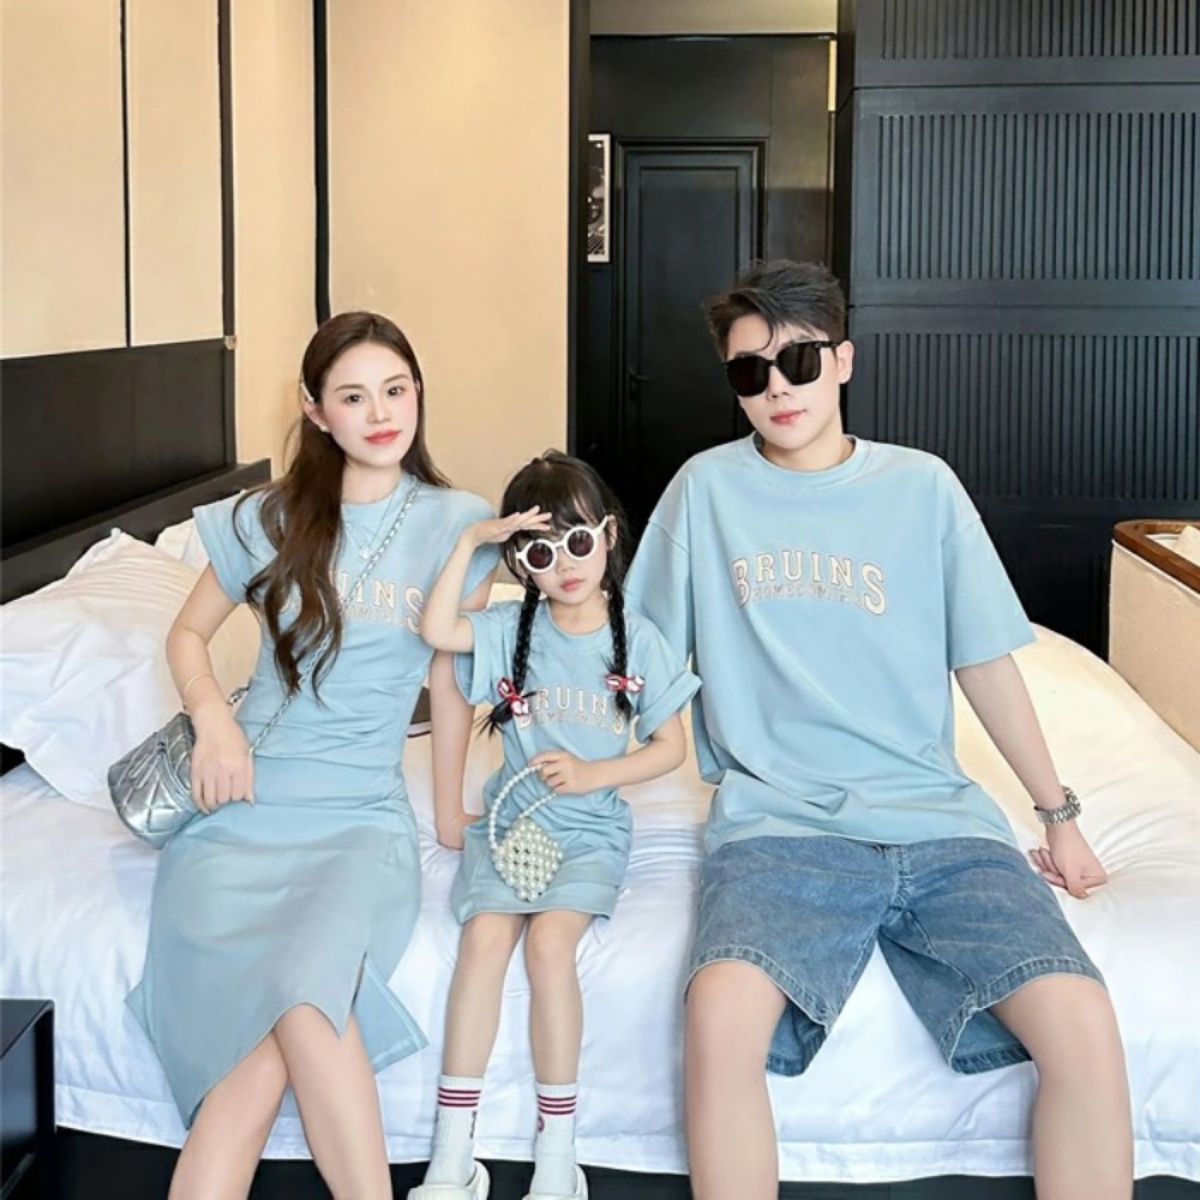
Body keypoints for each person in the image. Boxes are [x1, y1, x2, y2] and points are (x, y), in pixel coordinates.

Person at [625, 261, 1133, 1200]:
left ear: (844, 361)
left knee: (1084, 1021)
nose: (777, 388)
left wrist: (1057, 814)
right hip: (779, 828)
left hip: (940, 824)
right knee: (719, 1016)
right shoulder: (705, 492)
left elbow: (983, 660)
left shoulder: (921, 487)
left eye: (799, 361)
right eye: (749, 372)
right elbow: (634, 653)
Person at [129, 312, 499, 1199]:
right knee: (252, 1061)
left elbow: (449, 680)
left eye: (396, 390)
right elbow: (186, 635)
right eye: (354, 397)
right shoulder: (269, 517)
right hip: (239, 814)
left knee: (302, 994)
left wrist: (449, 812)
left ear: (419, 393)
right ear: (315, 409)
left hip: (357, 820)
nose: (381, 414)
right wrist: (214, 720)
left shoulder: (458, 522)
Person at [409, 451, 699, 1200]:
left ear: (608, 535)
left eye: (576, 541)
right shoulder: (511, 627)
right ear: (521, 564)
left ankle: (558, 1151)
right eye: (540, 553)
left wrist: (597, 773)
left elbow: (671, 748)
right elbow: (437, 628)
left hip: (591, 831)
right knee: (481, 943)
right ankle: (452, 1151)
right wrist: (473, 540)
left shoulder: (640, 638)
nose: (564, 564)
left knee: (548, 947)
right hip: (512, 827)